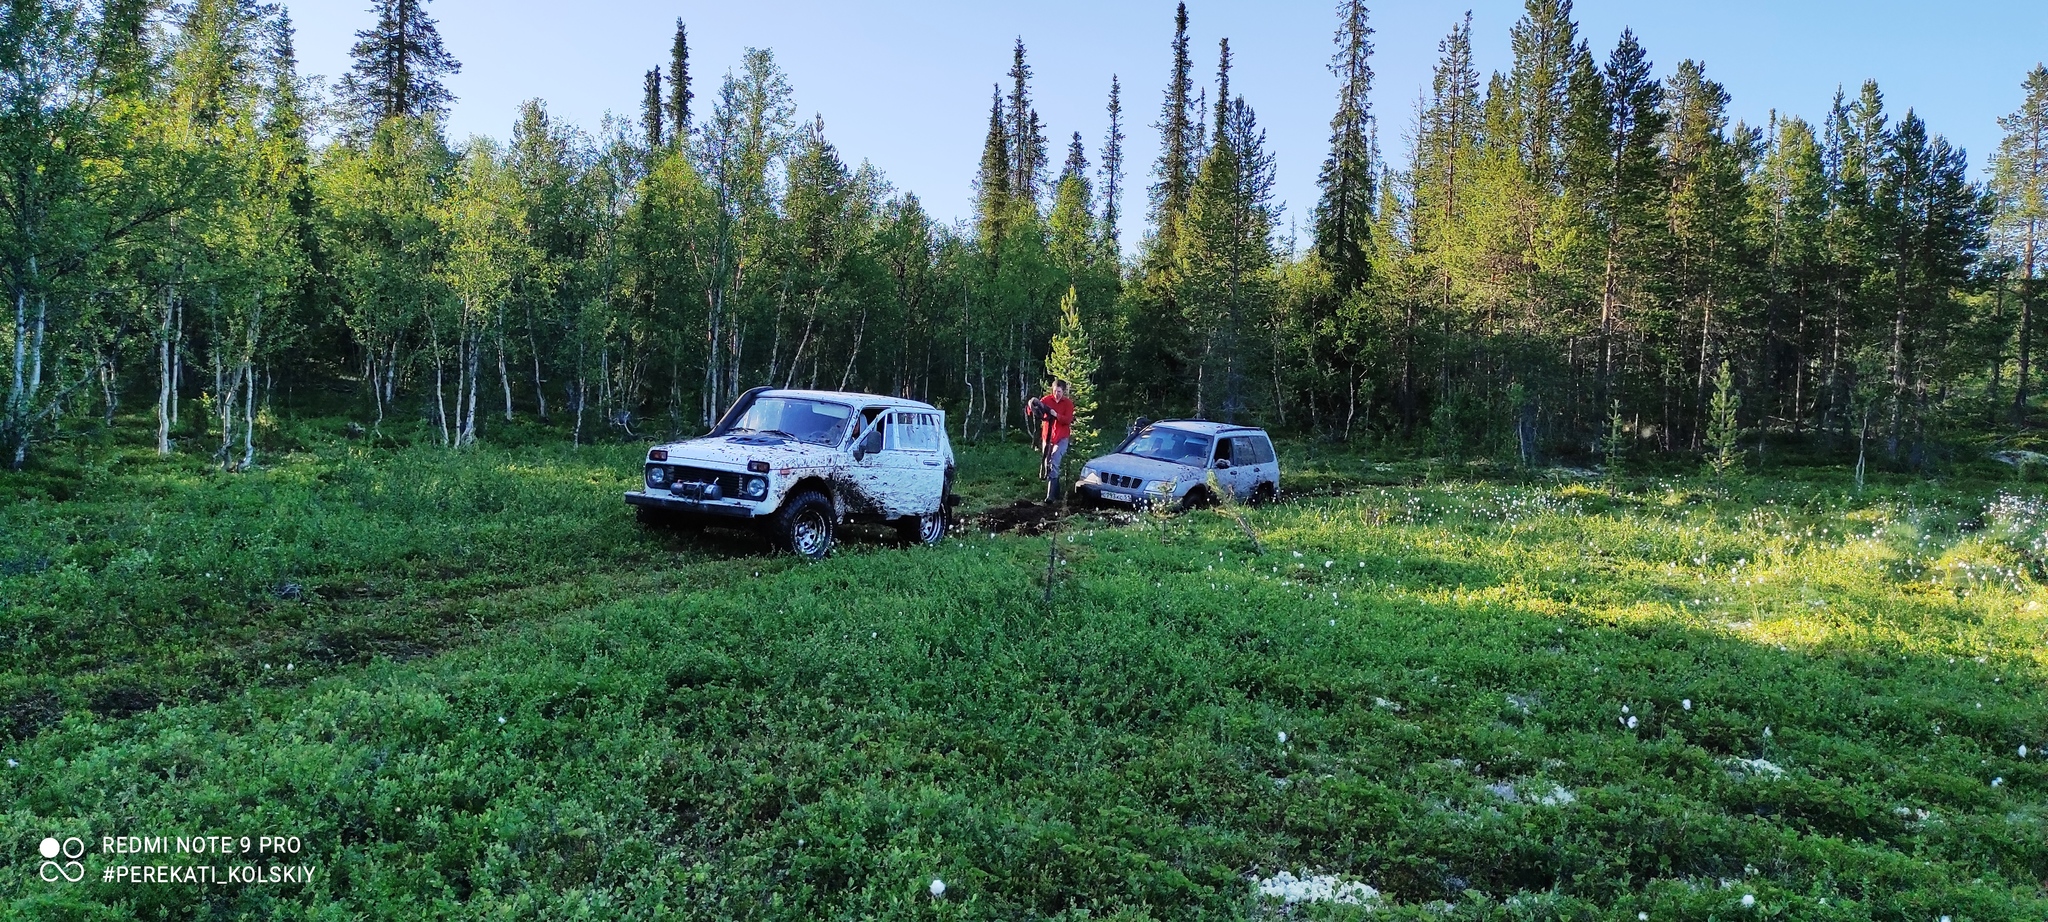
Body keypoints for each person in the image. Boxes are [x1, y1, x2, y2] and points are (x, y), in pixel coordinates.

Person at [1028, 379, 1075, 503]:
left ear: (1063, 391)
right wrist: (1031, 406)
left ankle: (1050, 496)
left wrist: (1056, 415)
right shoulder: (1047, 400)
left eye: (1059, 391)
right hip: (1047, 438)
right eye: (1055, 391)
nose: (1056, 394)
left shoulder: (1068, 404)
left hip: (1061, 438)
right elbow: (1033, 409)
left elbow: (1068, 420)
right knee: (1047, 462)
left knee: (1054, 460)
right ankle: (1056, 492)